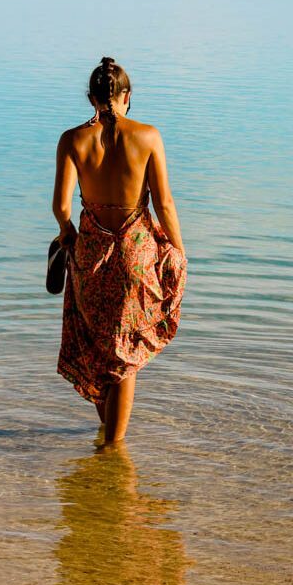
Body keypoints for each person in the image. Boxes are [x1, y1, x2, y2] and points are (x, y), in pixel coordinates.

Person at [52, 57, 188, 445]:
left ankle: (109, 439)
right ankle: (114, 450)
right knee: (125, 354)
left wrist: (68, 233)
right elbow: (164, 203)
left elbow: (61, 207)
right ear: (126, 96)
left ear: (91, 97)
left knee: (98, 347)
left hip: (90, 252)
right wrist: (178, 250)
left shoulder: (72, 140)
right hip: (136, 253)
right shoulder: (148, 136)